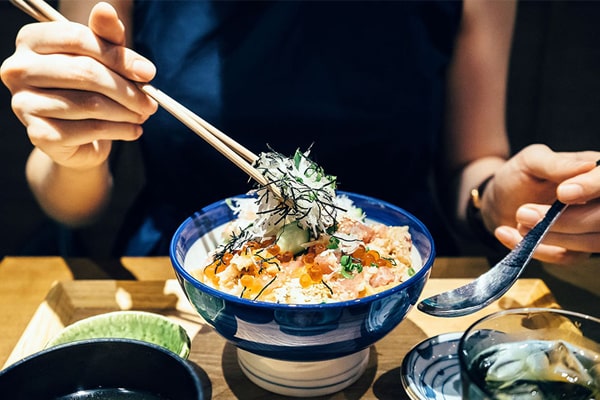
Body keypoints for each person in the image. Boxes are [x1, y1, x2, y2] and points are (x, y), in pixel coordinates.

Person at [1, 0, 599, 264]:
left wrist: (498, 199)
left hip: (391, 279)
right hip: (180, 271)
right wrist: (73, 154)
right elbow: (72, 204)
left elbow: (473, 162)